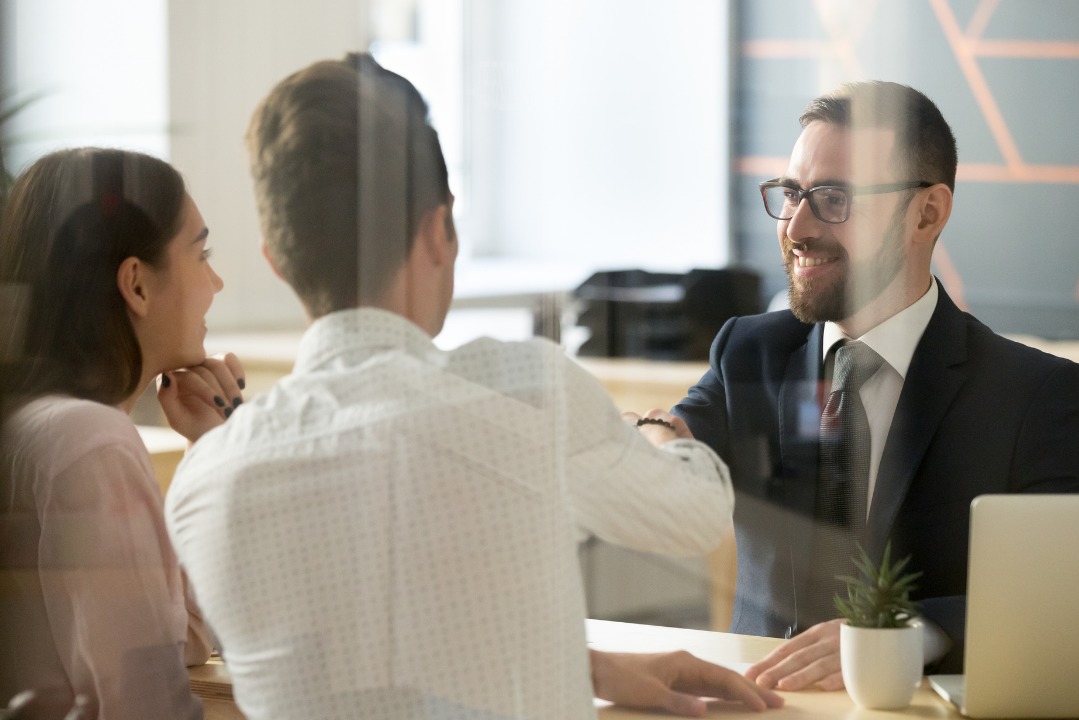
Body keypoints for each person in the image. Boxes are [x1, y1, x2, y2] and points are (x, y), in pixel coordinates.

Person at [164, 54, 782, 720]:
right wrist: (659, 433)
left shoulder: (204, 483)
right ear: (439, 230)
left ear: (276, 261)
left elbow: (365, 662)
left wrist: (588, 667)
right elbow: (696, 515)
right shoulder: (524, 391)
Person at [672, 81, 1079, 689]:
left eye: (834, 199)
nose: (795, 227)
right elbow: (680, 435)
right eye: (792, 193)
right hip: (760, 702)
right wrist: (653, 440)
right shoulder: (749, 352)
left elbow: (1069, 590)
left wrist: (905, 633)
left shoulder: (1032, 394)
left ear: (927, 213)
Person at [0, 148, 243, 718]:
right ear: (137, 285)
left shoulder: (33, 421)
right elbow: (146, 701)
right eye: (202, 255)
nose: (216, 283)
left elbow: (182, 639)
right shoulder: (92, 440)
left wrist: (208, 449)